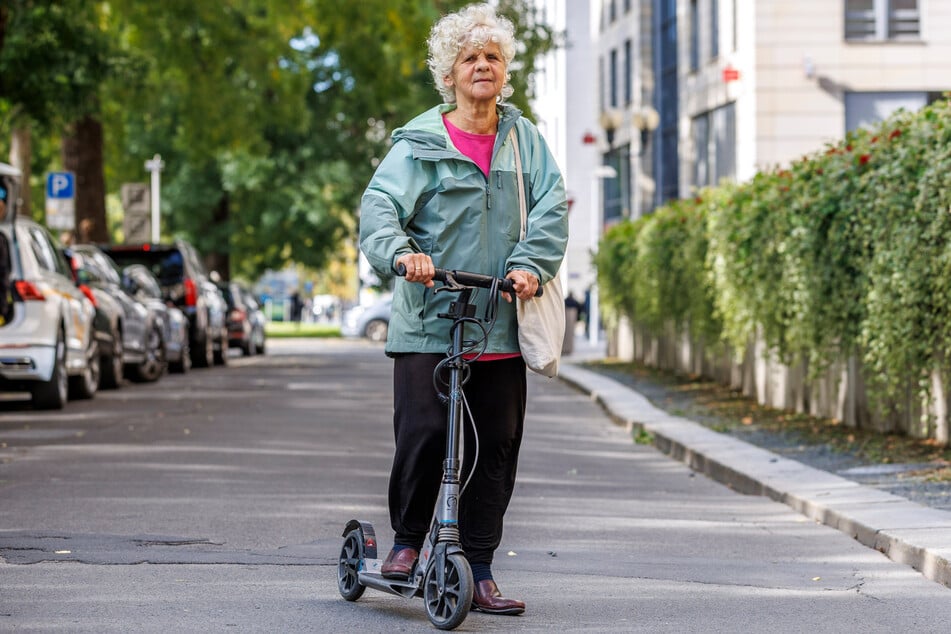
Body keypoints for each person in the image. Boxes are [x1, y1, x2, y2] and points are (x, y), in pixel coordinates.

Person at [359, 3, 568, 617]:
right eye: (470, 58)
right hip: (430, 318)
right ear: (447, 74)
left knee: (497, 443)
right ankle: (404, 544)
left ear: (505, 72)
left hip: (499, 318)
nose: (483, 67)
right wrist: (403, 255)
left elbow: (551, 208)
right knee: (425, 434)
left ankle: (478, 567)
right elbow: (380, 210)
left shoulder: (524, 139)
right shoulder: (419, 142)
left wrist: (530, 264)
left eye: (493, 58)